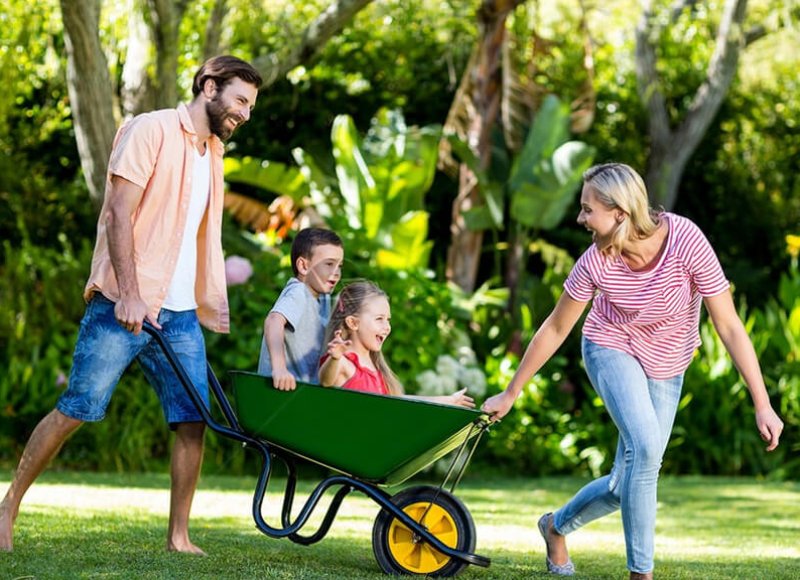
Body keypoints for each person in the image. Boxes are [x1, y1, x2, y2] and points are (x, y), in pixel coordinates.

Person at [0, 55, 263, 554]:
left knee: (192, 421)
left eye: (250, 105)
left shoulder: (213, 153)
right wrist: (130, 292)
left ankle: (178, 537)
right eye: (240, 100)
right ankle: (7, 506)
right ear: (209, 86)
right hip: (123, 307)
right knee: (77, 408)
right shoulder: (151, 130)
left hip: (180, 315)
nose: (246, 114)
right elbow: (119, 214)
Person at [481, 163, 784, 579]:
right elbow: (555, 327)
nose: (580, 218)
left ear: (620, 213)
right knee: (644, 450)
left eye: (588, 210)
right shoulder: (595, 262)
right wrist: (512, 392)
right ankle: (641, 574)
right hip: (610, 346)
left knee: (628, 483)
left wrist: (762, 404)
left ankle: (554, 526)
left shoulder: (685, 241)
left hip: (667, 361)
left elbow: (729, 325)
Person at [319, 280, 475, 408]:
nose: (387, 327)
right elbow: (325, 381)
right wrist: (334, 358)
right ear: (353, 322)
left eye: (388, 320)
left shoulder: (375, 366)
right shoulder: (343, 362)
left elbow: (398, 401)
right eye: (379, 319)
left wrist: (446, 400)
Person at [257, 228, 344, 390]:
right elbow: (273, 321)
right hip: (281, 389)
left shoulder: (323, 298)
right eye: (329, 264)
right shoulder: (299, 292)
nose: (336, 272)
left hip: (303, 392)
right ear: (304, 266)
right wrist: (279, 369)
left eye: (340, 266)